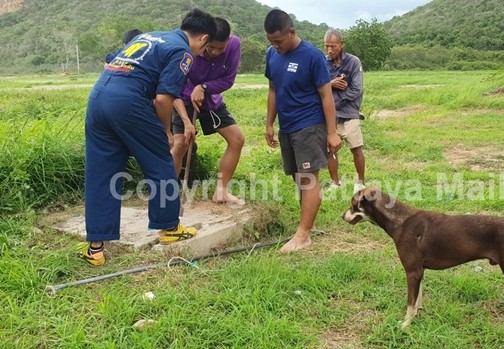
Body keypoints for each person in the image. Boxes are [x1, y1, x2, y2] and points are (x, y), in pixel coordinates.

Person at [82, 9, 217, 266]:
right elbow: (164, 98)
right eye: (205, 49)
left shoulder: (148, 37)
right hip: (128, 103)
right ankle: (169, 228)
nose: (201, 54)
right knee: (161, 162)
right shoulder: (182, 51)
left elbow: (113, 62)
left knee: (102, 173)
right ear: (203, 38)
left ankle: (95, 249)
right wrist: (164, 131)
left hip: (98, 97)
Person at [263, 10, 341, 253]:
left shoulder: (312, 56)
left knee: (308, 178)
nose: (275, 46)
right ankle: (307, 224)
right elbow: (273, 90)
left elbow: (326, 95)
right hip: (287, 127)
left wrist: (332, 132)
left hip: (309, 125)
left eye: (279, 41)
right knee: (299, 177)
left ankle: (303, 235)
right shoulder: (272, 54)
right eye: (271, 42)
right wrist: (269, 123)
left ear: (292, 32)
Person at [171, 17, 245, 205]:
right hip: (182, 96)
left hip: (210, 98)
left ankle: (221, 191)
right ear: (204, 39)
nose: (214, 52)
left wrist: (203, 87)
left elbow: (228, 80)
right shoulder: (187, 46)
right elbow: (171, 89)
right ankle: (166, 195)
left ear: (228, 41)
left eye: (220, 48)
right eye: (211, 47)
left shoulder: (234, 45)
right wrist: (186, 121)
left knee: (237, 139)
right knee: (180, 144)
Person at [323, 29, 366, 193]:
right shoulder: (323, 63)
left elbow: (356, 89)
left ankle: (360, 182)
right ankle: (335, 183)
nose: (329, 50)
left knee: (356, 148)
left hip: (350, 113)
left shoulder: (354, 62)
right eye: (326, 46)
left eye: (333, 46)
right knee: (330, 149)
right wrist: (331, 83)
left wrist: (334, 100)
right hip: (331, 116)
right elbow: (318, 85)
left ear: (342, 44)